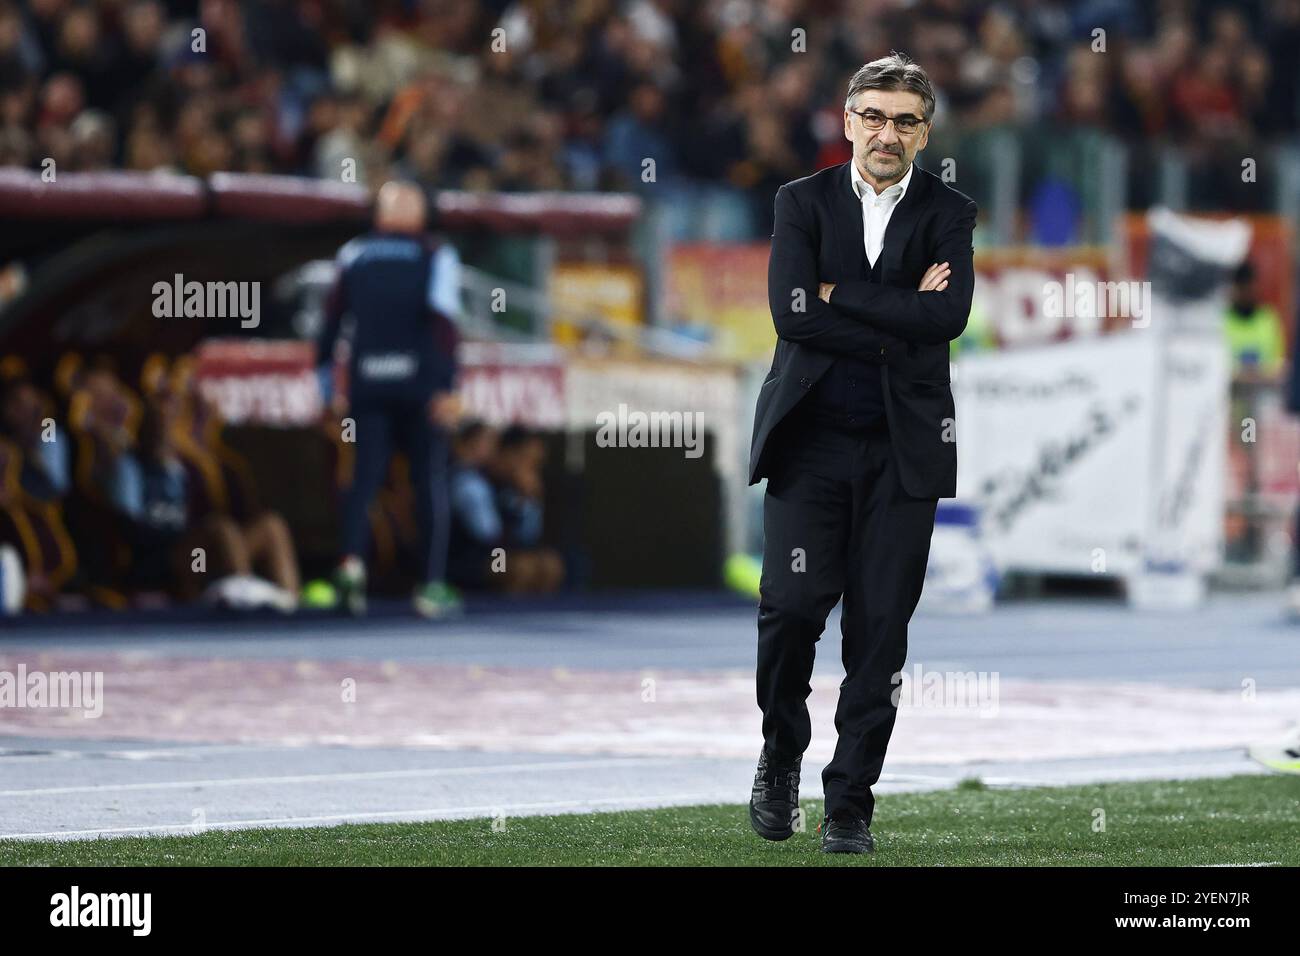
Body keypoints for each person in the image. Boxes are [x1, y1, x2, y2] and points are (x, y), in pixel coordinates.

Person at [747, 53, 978, 854]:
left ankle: (850, 804)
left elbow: (947, 318)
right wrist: (898, 315)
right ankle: (781, 755)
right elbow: (794, 314)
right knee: (789, 613)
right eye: (873, 116)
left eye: (905, 120)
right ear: (847, 122)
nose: (887, 132)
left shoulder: (950, 210)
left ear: (925, 132)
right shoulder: (799, 202)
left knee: (879, 636)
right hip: (810, 445)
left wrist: (848, 297)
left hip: (901, 453)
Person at [318, 180, 464, 617]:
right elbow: (444, 325)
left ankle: (352, 571)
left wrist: (325, 390)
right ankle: (431, 586)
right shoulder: (437, 254)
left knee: (363, 480)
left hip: (368, 385)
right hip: (420, 387)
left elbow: (328, 327)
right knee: (429, 480)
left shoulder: (353, 254)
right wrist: (448, 387)